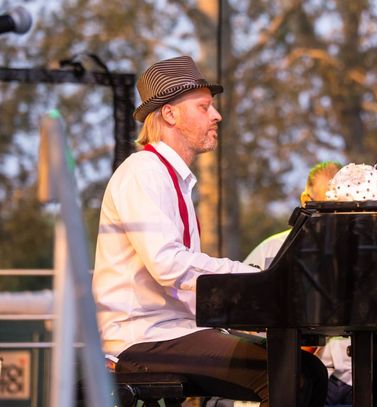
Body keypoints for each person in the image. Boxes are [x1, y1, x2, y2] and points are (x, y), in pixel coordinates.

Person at [92, 56, 327, 407]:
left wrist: (248, 310)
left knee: (307, 369)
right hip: (142, 338)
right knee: (292, 374)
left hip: (174, 332)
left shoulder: (171, 178)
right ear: (170, 114)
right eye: (204, 107)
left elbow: (183, 285)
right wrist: (254, 277)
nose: (216, 116)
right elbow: (168, 264)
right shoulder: (143, 171)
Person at [244, 161, 377, 407]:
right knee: (294, 383)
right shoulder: (273, 249)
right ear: (307, 201)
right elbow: (244, 318)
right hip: (310, 367)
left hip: (372, 365)